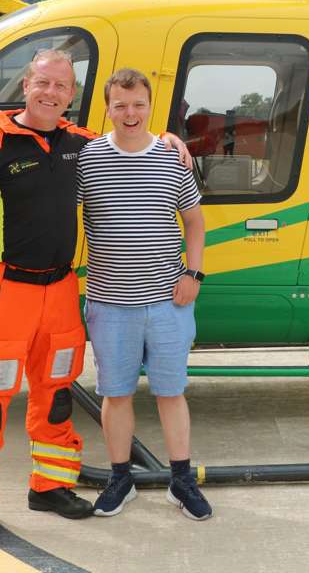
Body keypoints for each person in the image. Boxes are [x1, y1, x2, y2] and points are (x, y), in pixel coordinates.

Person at [0, 49, 190, 546]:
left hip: (59, 291)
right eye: (43, 83)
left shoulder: (82, 144)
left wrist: (169, 140)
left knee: (54, 397)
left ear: (72, 95)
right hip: (5, 293)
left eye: (61, 86)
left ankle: (49, 486)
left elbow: (130, 138)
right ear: (26, 85)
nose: (51, 93)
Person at [78, 68, 212, 521]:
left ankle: (181, 480)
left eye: (138, 105)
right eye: (120, 105)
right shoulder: (89, 158)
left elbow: (194, 221)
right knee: (116, 395)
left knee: (171, 392)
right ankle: (121, 478)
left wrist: (194, 272)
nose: (129, 113)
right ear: (108, 109)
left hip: (168, 302)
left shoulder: (172, 158)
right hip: (110, 302)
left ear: (150, 106)